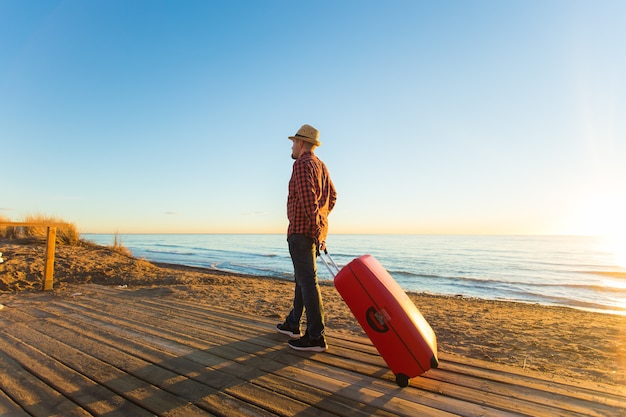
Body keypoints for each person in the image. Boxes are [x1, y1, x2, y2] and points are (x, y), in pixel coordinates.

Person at [277, 124, 337, 352]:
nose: (292, 146)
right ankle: (293, 324)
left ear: (301, 143)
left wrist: (314, 228)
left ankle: (315, 336)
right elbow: (332, 197)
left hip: (302, 232)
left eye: (294, 142)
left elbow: (308, 200)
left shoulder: (302, 164)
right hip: (312, 231)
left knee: (308, 283)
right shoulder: (321, 166)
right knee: (302, 281)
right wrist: (321, 226)